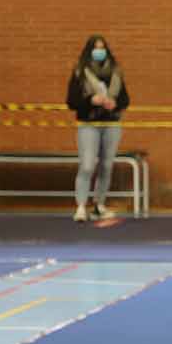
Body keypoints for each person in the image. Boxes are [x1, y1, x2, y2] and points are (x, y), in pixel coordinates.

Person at [66, 35, 129, 223]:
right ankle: (80, 207)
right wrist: (90, 101)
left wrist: (114, 103)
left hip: (111, 124)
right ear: (89, 50)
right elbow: (71, 101)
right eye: (96, 48)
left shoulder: (116, 72)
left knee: (106, 166)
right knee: (87, 165)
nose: (99, 52)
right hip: (88, 125)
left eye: (102, 48)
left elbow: (126, 99)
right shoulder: (79, 71)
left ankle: (99, 205)